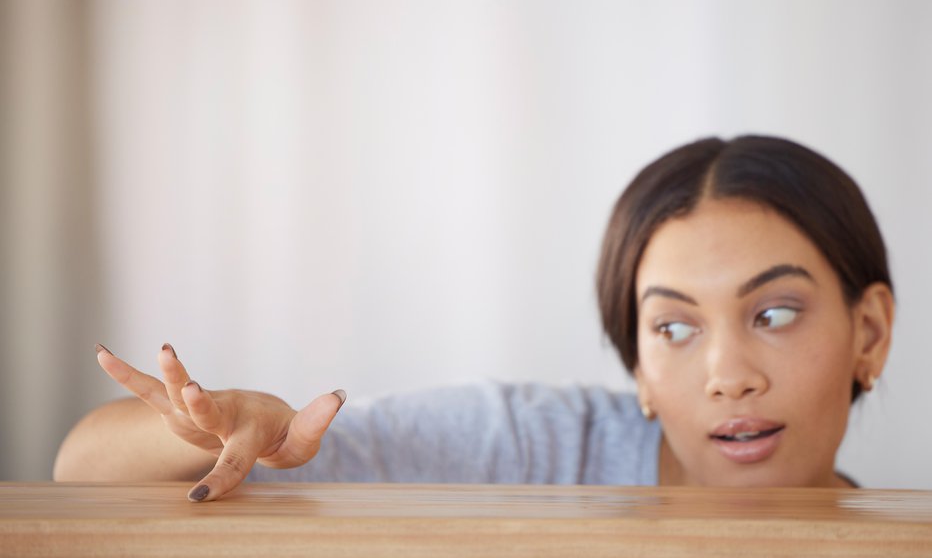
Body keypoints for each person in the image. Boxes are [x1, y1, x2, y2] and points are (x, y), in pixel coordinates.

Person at [54, 135, 895, 502]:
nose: (728, 373)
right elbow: (82, 471)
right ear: (637, 365)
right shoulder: (528, 448)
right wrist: (236, 424)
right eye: (674, 328)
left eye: (775, 312)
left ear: (870, 333)